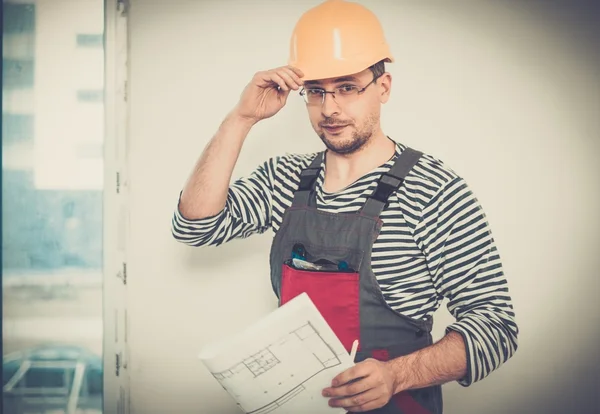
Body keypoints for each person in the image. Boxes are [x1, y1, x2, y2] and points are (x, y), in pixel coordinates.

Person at [172, 0, 519, 412]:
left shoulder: (434, 191)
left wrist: (396, 376)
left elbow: (496, 327)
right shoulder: (285, 178)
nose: (330, 108)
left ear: (384, 87)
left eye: (347, 87)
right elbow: (195, 227)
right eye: (316, 91)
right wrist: (241, 118)